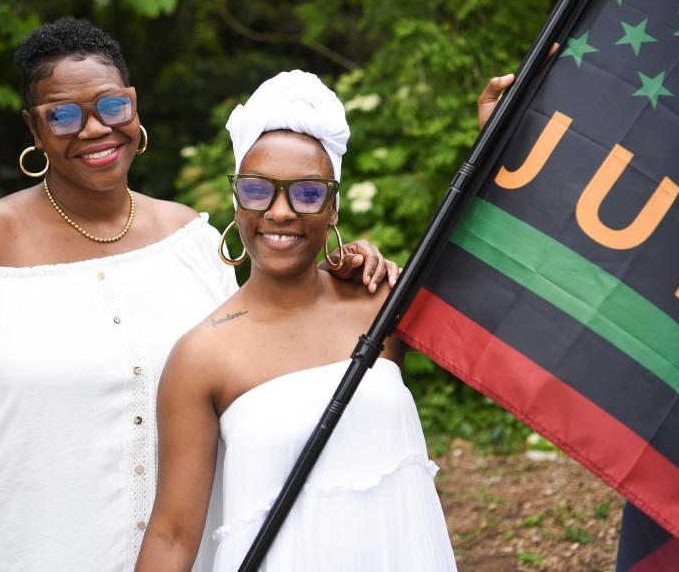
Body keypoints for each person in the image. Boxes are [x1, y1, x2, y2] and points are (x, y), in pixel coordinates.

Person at [0, 18, 400, 571]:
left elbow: (262, 380)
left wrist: (340, 280)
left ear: (134, 109)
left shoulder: (193, 243)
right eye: (62, 114)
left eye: (112, 106)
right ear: (34, 130)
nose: (93, 129)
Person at [134, 71, 466, 572]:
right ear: (237, 200)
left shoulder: (378, 307)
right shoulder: (201, 356)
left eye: (307, 193)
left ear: (333, 208)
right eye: (257, 190)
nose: (281, 212)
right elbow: (173, 537)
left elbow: (491, 304)